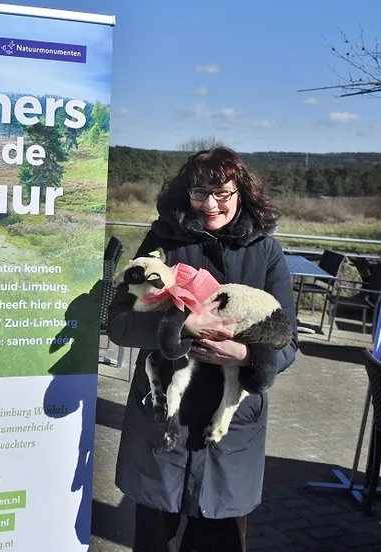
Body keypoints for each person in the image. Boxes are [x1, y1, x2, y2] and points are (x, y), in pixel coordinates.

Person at [107, 147, 298, 552]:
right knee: (154, 538)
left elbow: (289, 341)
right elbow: (121, 322)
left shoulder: (266, 251)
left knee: (218, 538)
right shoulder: (163, 240)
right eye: (199, 192)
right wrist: (181, 325)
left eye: (222, 193)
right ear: (186, 193)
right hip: (163, 414)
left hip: (230, 423)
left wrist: (247, 357)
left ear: (240, 192)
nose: (210, 204)